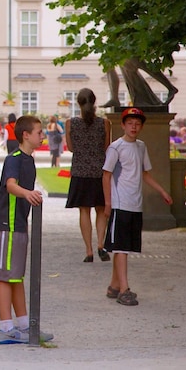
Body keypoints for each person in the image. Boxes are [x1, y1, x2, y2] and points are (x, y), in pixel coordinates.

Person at [0, 115, 53, 344]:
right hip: (7, 224)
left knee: (16, 276)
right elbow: (11, 185)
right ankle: (6, 328)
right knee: (5, 276)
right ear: (26, 135)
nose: (42, 135)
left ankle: (26, 326)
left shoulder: (29, 159)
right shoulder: (14, 158)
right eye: (38, 132)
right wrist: (28, 194)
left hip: (20, 224)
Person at [102, 107, 173, 306]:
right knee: (121, 247)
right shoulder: (116, 148)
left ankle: (114, 285)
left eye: (137, 124)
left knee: (124, 246)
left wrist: (162, 191)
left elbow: (145, 173)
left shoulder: (141, 147)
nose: (134, 127)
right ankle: (124, 289)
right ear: (123, 125)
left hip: (135, 203)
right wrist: (108, 203)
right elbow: (106, 175)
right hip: (120, 203)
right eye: (130, 123)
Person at [65, 88, 112, 263]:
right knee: (101, 210)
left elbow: (70, 148)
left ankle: (89, 251)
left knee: (84, 211)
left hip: (80, 171)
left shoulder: (70, 123)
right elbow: (107, 147)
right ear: (95, 101)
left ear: (78, 103)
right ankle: (101, 244)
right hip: (99, 172)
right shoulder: (104, 123)